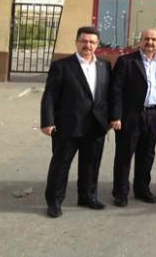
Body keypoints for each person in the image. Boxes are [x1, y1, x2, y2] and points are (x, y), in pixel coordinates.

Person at [40, 26, 111, 218]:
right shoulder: (62, 66)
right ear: (76, 42)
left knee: (91, 164)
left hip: (96, 125)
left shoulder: (104, 66)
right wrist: (47, 121)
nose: (88, 45)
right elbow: (50, 96)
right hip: (68, 125)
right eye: (84, 41)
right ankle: (54, 202)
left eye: (92, 42)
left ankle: (87, 196)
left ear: (97, 44)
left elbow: (108, 95)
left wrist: (110, 119)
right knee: (60, 165)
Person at [110, 28, 156, 207]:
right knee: (124, 155)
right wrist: (116, 116)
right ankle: (121, 192)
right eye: (146, 39)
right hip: (130, 116)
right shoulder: (126, 61)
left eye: (153, 39)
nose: (150, 42)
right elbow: (116, 90)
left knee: (147, 155)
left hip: (154, 115)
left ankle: (142, 189)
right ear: (140, 41)